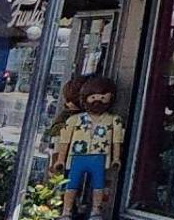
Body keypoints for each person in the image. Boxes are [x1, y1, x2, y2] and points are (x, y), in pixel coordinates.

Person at [52, 76, 124, 220]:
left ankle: (96, 211)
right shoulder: (74, 120)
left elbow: (117, 140)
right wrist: (60, 159)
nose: (98, 101)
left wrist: (116, 158)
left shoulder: (113, 120)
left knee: (99, 184)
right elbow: (64, 140)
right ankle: (66, 211)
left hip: (99, 156)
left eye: (103, 97)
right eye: (93, 97)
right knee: (72, 184)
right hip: (77, 156)